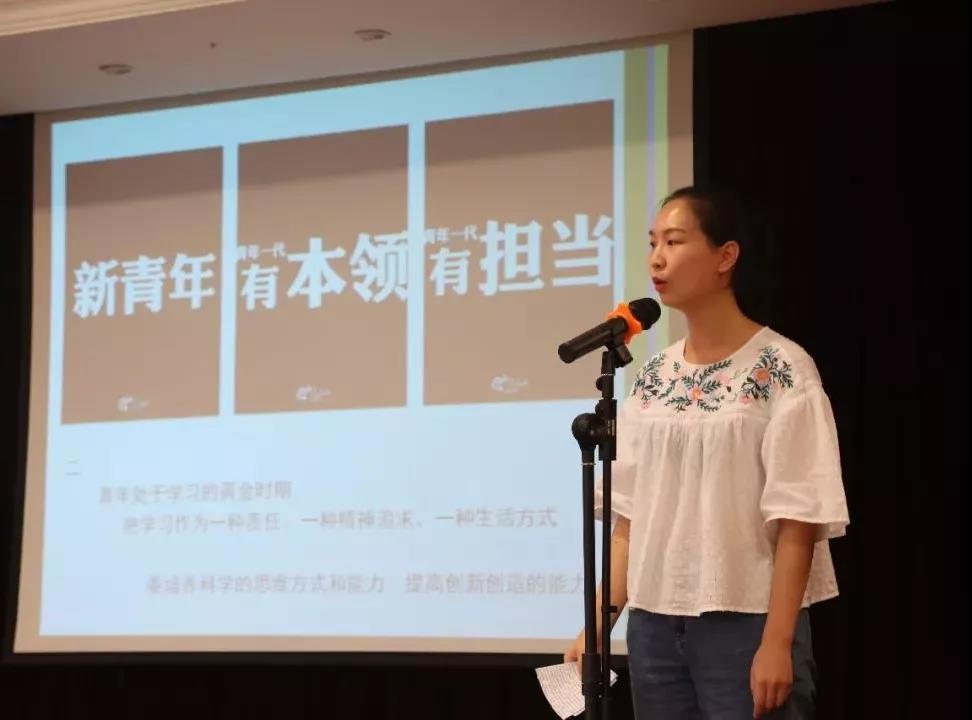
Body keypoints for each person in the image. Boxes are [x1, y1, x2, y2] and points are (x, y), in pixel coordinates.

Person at [564, 186, 849, 719]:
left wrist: (777, 642)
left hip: (745, 620)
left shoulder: (781, 367)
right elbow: (631, 515)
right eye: (653, 243)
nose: (657, 258)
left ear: (725, 256)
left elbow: (799, 516)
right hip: (654, 626)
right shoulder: (654, 376)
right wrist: (600, 623)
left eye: (674, 241)